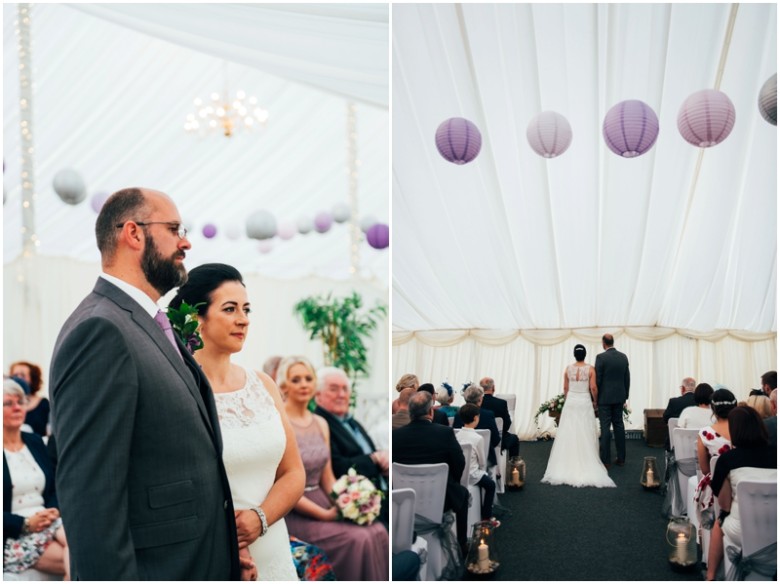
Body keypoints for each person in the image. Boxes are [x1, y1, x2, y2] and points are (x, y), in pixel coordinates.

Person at [49, 187, 240, 580]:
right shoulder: (100, 329)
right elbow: (91, 496)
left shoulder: (150, 322)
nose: (186, 241)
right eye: (174, 228)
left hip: (198, 559)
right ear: (133, 234)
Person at [170, 263, 305, 580]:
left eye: (246, 309)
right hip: (214, 551)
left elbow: (293, 471)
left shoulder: (264, 384)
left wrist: (260, 519)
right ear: (197, 318)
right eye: (230, 309)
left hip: (272, 544)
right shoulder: (179, 389)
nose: (243, 319)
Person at [279, 356, 388, 581]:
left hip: (325, 500)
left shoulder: (321, 423)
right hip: (296, 509)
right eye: (296, 379)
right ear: (283, 386)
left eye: (308, 378)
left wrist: (348, 504)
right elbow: (282, 484)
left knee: (377, 530)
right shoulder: (279, 423)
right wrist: (326, 515)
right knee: (359, 539)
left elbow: (327, 477)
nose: (303, 384)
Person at [3, 379, 69, 579]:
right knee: (75, 557)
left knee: (82, 540)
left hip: (49, 520)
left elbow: (53, 487)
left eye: (21, 402)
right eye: (8, 403)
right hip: (14, 533)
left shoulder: (35, 442)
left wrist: (54, 510)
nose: (17, 408)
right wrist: (25, 523)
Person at [393, 391, 468, 555]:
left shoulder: (395, 436)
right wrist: (450, 480)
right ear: (430, 412)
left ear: (410, 412)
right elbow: (459, 463)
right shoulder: (445, 433)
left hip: (403, 503)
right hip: (441, 500)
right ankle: (462, 545)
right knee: (463, 494)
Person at [707, 406, 776, 581]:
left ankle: (710, 576)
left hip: (742, 530)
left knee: (719, 522)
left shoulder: (728, 460)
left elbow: (725, 505)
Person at [313, 367, 389, 525]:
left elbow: (369, 452)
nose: (341, 395)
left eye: (345, 389)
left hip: (382, 493)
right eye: (333, 389)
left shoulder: (352, 422)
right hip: (357, 502)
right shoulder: (320, 424)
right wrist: (374, 459)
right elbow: (337, 466)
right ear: (317, 395)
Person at [541, 344, 615, 488]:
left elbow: (565, 388)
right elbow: (593, 387)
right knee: (585, 430)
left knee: (569, 430)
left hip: (572, 402)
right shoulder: (590, 369)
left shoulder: (568, 369)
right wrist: (595, 401)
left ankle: (567, 460)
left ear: (574, 355)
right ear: (585, 355)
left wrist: (569, 400)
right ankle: (587, 459)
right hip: (584, 401)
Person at [693, 388, 736, 574]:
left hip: (717, 491)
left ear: (713, 409)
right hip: (741, 485)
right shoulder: (743, 431)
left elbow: (705, 469)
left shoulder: (704, 434)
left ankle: (708, 558)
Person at [455, 404, 496, 520]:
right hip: (473, 475)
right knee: (491, 485)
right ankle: (487, 516)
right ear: (476, 418)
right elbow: (482, 462)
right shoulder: (477, 438)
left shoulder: (456, 435)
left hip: (459, 474)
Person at [595, 333, 630, 467]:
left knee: (605, 428)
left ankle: (606, 461)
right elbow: (627, 378)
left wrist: (595, 399)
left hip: (604, 399)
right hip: (619, 397)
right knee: (619, 426)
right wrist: (625, 396)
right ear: (613, 342)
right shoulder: (623, 357)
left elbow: (598, 380)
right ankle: (621, 458)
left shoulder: (601, 358)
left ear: (604, 343)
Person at [452, 385, 501, 466]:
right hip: (486, 457)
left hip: (462, 457)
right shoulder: (488, 415)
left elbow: (455, 438)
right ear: (480, 400)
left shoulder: (458, 414)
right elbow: (496, 441)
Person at [479, 377, 520, 457]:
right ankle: (513, 467)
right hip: (498, 440)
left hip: (480, 438)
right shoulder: (501, 403)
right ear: (493, 388)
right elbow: (507, 424)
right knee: (514, 439)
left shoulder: (477, 403)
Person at [9, 362, 49, 437]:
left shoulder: (44, 403)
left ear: (32, 379)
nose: (18, 378)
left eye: (22, 375)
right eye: (15, 375)